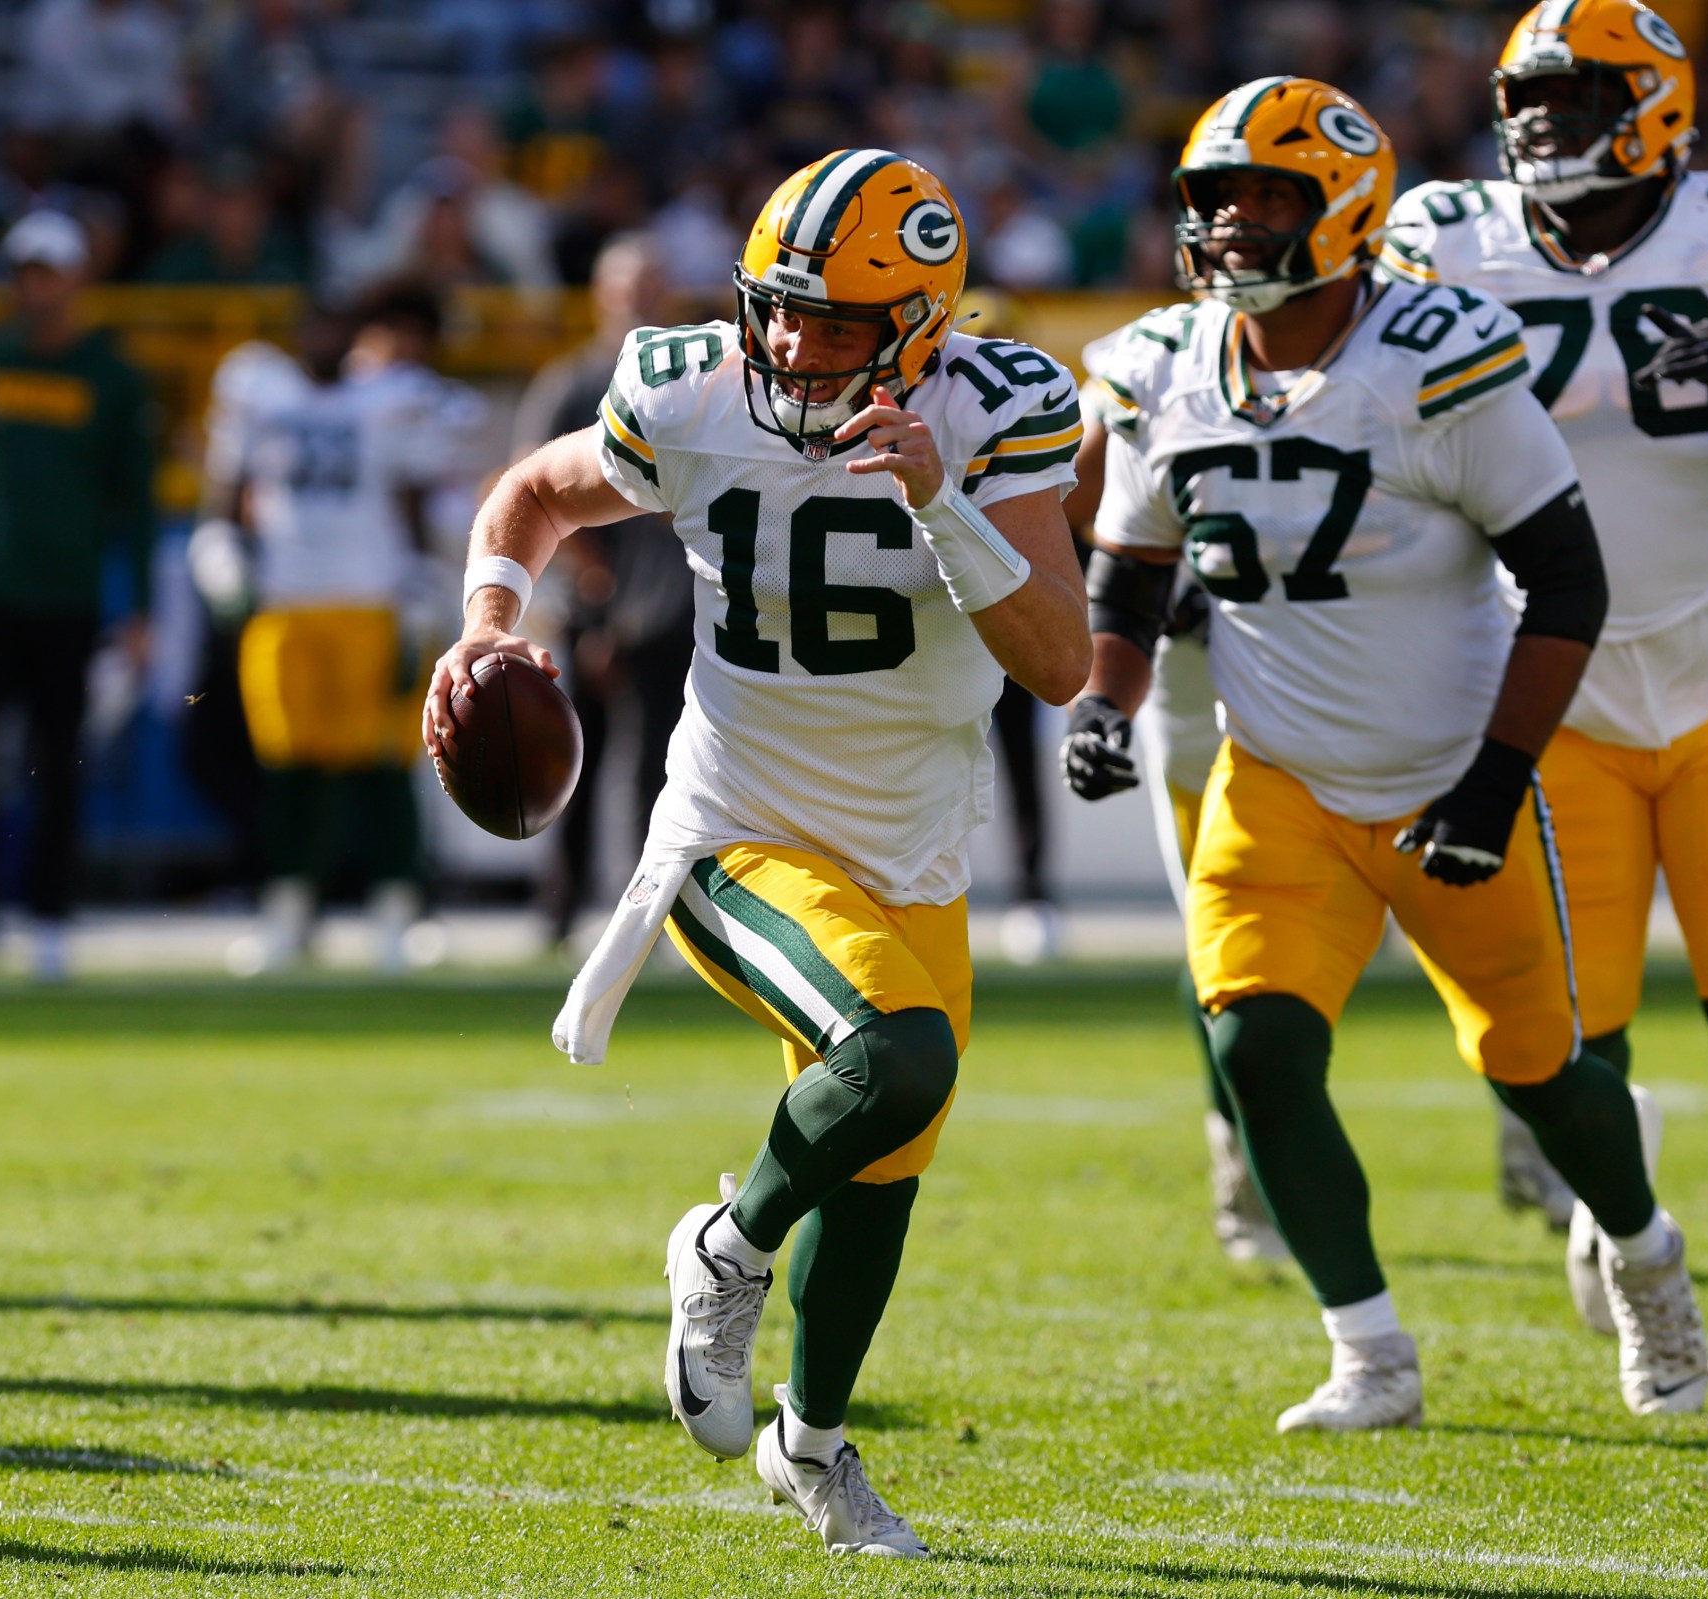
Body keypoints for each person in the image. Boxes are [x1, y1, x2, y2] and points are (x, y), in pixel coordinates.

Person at [436, 149, 1088, 1558]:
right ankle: (726, 1246)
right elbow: (530, 498)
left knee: (889, 1150)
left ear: (918, 327)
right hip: (738, 830)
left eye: (836, 324)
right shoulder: (688, 387)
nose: (792, 344)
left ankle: (813, 1440)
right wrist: (489, 621)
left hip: (915, 844)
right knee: (899, 1052)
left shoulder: (1001, 406)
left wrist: (944, 504)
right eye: (776, 308)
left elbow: (1057, 660)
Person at [1069, 77, 1708, 1426]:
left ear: (1343, 208)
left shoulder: (1435, 355)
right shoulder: (1166, 367)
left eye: (1263, 196)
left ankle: (1648, 1254)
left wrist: (1495, 781)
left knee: (1543, 1073)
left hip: (1445, 771)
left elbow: (1569, 581)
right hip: (1278, 782)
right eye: (1214, 199)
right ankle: (1369, 1347)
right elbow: (1130, 572)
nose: (1231, 223)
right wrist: (1107, 703)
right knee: (1254, 1052)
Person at [1380, 0, 1708, 1394]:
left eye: (1573, 96)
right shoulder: (1449, 237)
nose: (1540, 126)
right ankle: (1630, 1218)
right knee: (1562, 1027)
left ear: (1659, 100)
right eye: (1527, 100)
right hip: (1542, 689)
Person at [1063, 354, 1279, 1260]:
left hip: (1352, 694)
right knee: (1219, 947)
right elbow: (1067, 486)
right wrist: (1155, 574)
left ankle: (1530, 1121)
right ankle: (1241, 1154)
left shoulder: (1361, 343)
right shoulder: (1149, 361)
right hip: (1197, 707)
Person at [0, 211, 154, 981]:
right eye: (27, 272)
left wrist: (141, 607)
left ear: (77, 277)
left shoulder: (111, 378)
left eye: (50, 271)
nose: (37, 286)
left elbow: (138, 503)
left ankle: (48, 916)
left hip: (69, 597)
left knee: (57, 761)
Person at [213, 293, 478, 976]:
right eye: (315, 321)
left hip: (368, 598)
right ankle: (288, 913)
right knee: (290, 766)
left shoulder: (390, 400)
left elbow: (412, 493)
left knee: (380, 763)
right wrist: (221, 543)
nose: (325, 334)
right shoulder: (259, 390)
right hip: (286, 600)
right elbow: (229, 486)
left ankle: (396, 911)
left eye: (336, 323)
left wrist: (419, 581)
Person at [510, 233, 695, 949]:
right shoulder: (574, 380)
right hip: (598, 598)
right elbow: (527, 482)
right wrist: (593, 577)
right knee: (574, 762)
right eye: (630, 286)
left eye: (652, 286)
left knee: (666, 768)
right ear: (601, 295)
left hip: (675, 600)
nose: (641, 299)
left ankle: (655, 920)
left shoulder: (692, 384)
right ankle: (558, 912)